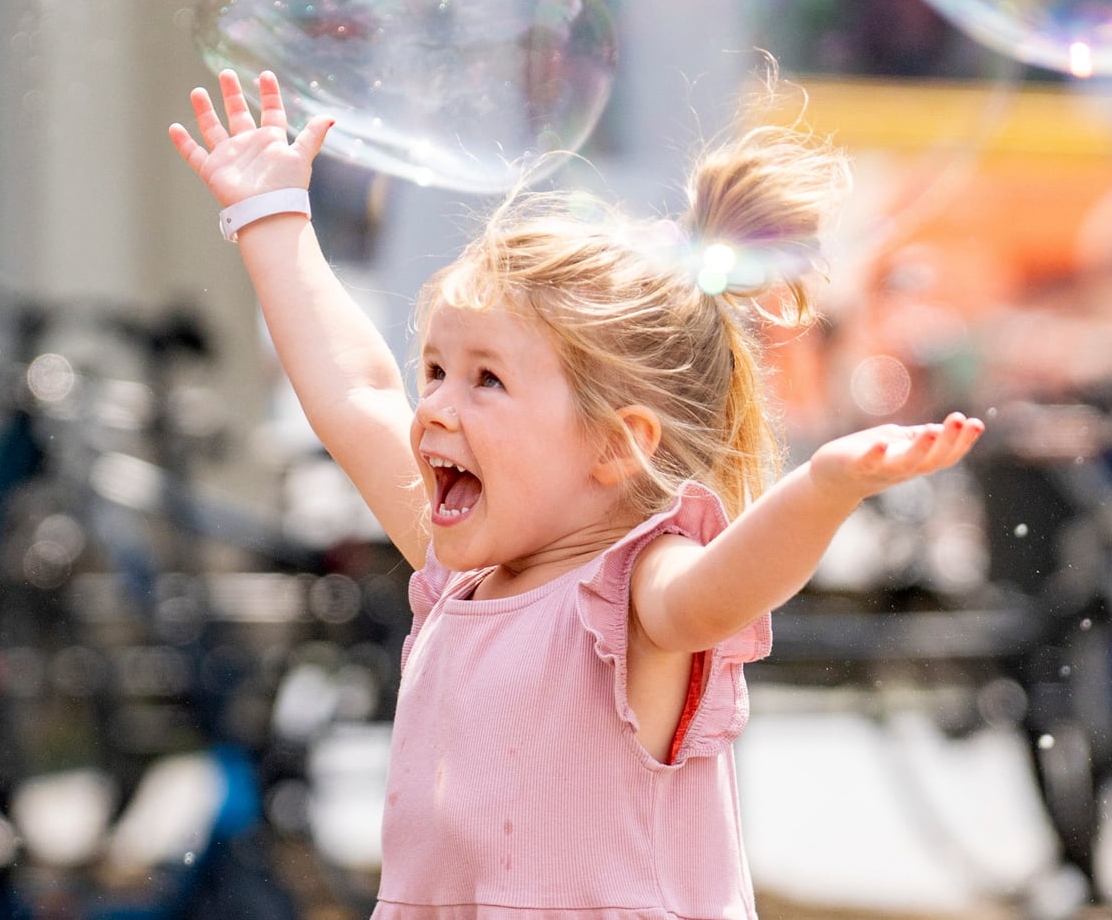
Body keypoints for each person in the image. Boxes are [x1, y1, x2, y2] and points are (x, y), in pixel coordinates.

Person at [169, 69, 985, 917]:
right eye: (438, 368)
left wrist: (826, 487)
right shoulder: (463, 571)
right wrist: (271, 215)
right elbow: (357, 396)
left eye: (487, 379)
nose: (437, 406)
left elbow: (727, 588)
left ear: (616, 443)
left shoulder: (634, 595)